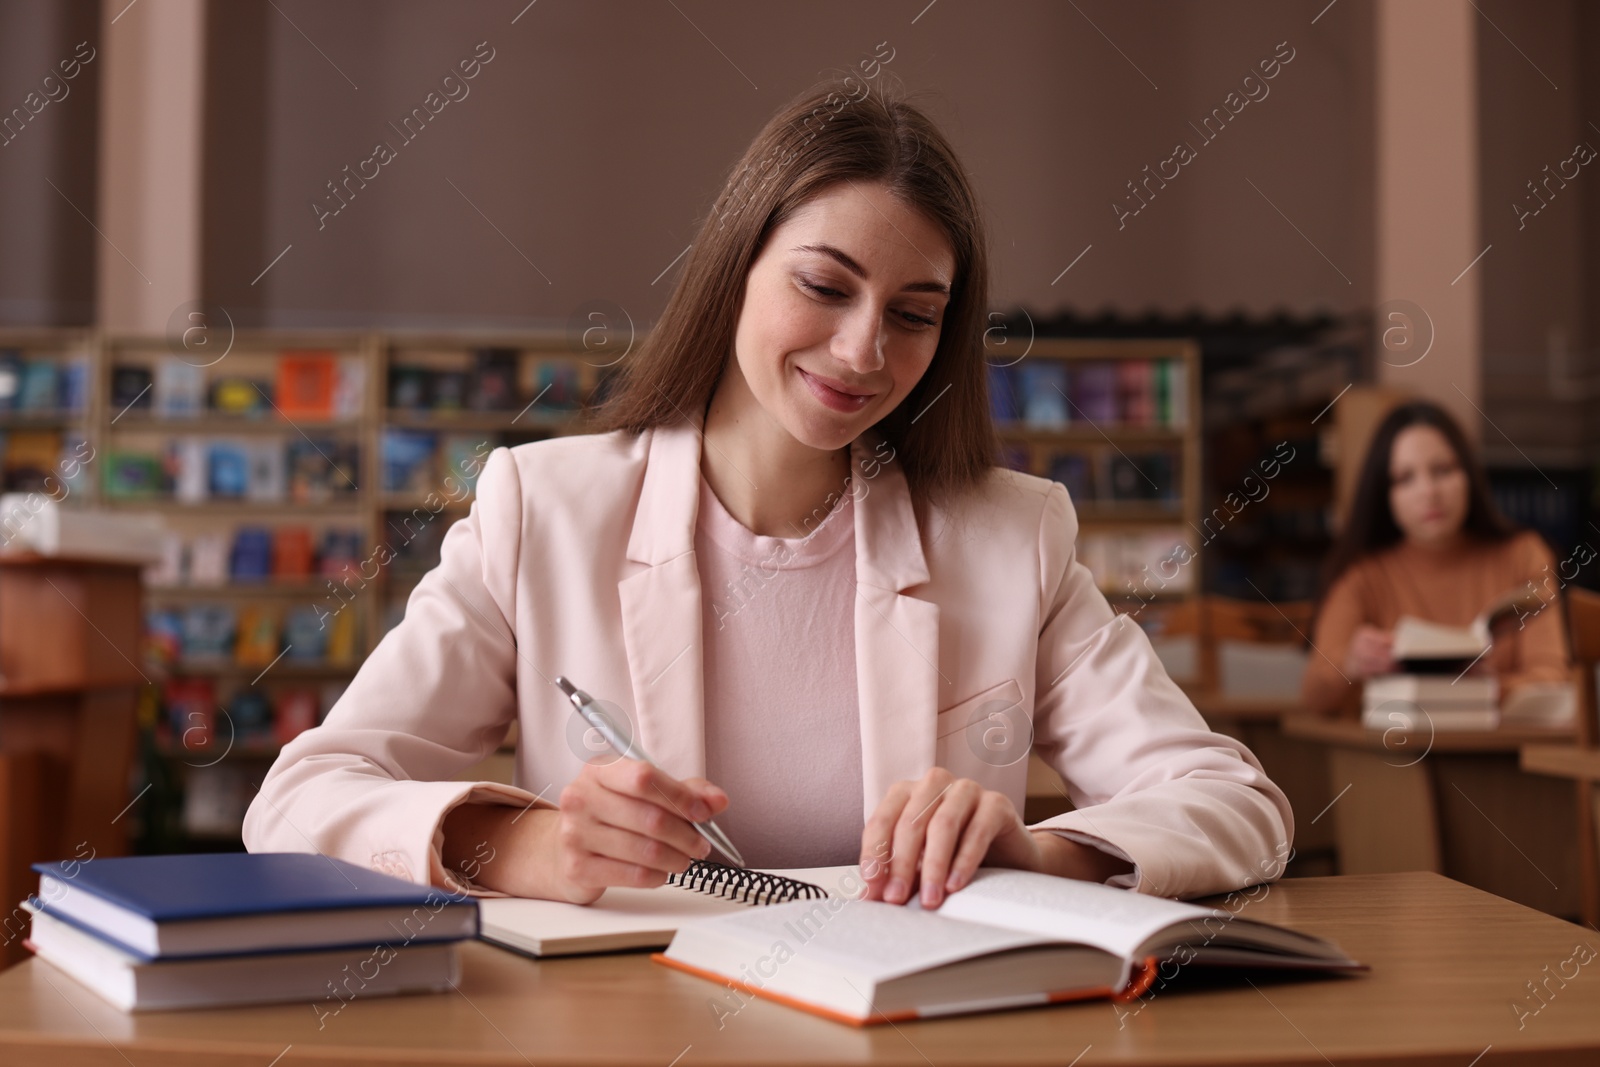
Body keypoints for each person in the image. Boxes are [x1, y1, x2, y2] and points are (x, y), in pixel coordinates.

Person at [243, 78, 1292, 908]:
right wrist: (527, 840)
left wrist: (1033, 851)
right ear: (735, 264)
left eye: (914, 312)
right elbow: (298, 798)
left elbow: (1235, 803)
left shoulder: (1009, 536)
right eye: (824, 286)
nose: (862, 349)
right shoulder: (542, 509)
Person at [1302, 400, 1570, 717]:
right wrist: (1350, 662)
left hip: (1501, 752)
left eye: (1443, 470)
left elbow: (1553, 678)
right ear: (1385, 494)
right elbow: (1312, 697)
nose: (1429, 492)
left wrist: (1492, 690)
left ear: (1468, 476)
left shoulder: (1522, 553)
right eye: (1405, 478)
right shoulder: (1361, 573)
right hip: (1397, 756)